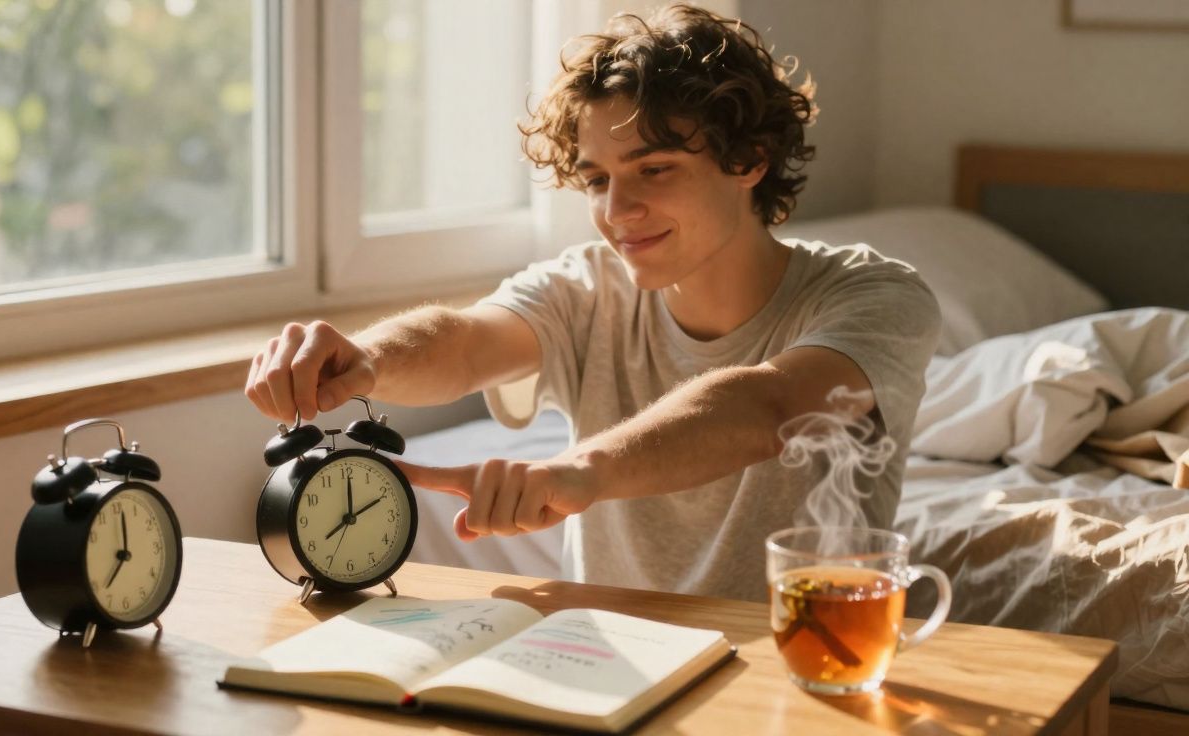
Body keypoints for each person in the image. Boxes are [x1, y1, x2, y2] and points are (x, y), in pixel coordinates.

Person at [245, 4, 940, 602]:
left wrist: (578, 473)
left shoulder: (876, 296)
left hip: (797, 665)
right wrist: (364, 360)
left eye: (654, 170)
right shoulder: (584, 286)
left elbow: (769, 406)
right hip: (611, 662)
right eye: (597, 180)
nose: (618, 211)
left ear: (750, 160)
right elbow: (465, 341)